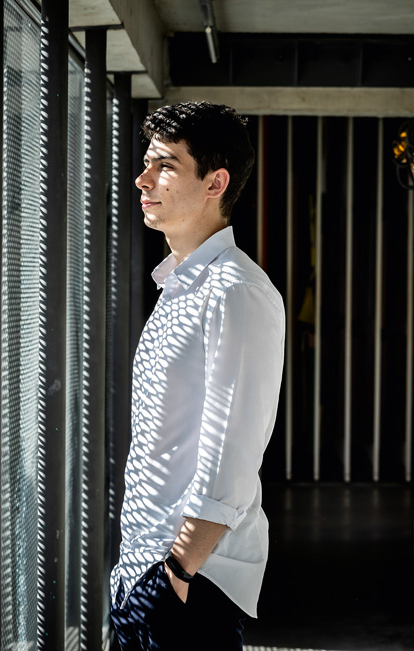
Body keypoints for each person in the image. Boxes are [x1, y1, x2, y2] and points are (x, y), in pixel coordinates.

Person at [109, 101, 285, 650]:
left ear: (216, 182)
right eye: (146, 162)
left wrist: (177, 573)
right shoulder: (183, 286)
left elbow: (231, 454)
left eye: (165, 165)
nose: (143, 180)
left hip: (188, 579)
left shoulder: (236, 292)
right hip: (143, 568)